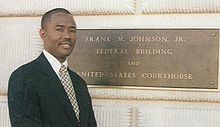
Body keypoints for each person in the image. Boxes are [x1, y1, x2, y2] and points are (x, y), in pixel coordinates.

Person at [8, 8, 97, 127]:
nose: (67, 36)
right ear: (43, 34)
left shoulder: (79, 83)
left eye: (72, 30)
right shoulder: (24, 77)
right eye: (59, 29)